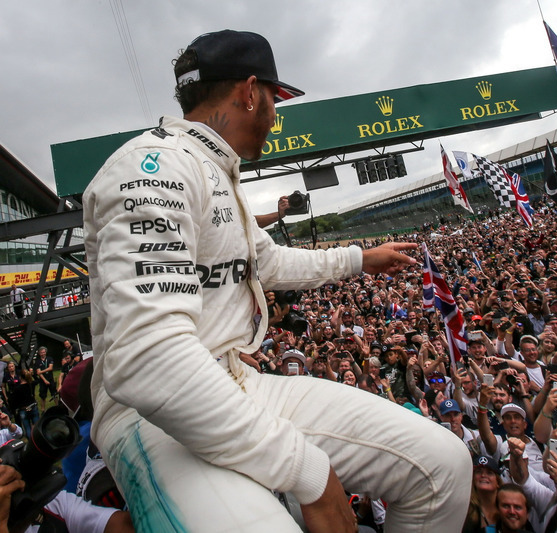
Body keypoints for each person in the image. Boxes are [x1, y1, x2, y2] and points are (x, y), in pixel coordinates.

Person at [82, 30, 470, 533]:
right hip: (148, 415)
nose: (275, 114)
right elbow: (148, 361)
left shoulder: (218, 171)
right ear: (249, 92)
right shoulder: (150, 167)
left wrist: (359, 258)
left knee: (446, 466)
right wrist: (307, 471)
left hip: (237, 383)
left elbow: (268, 263)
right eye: (274, 99)